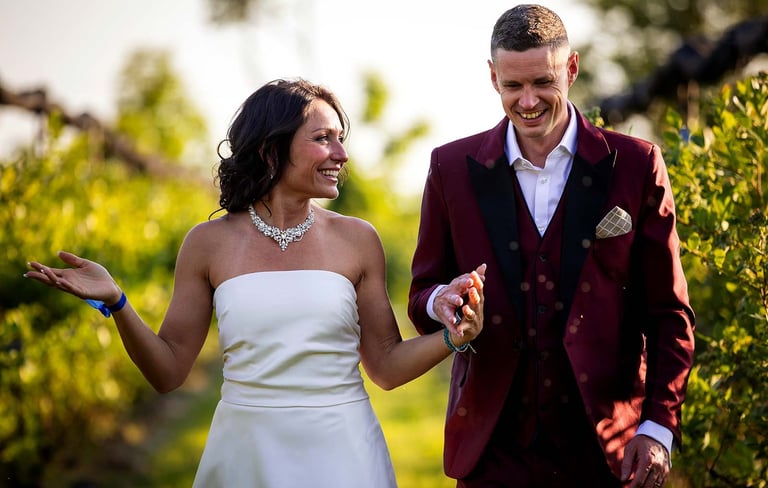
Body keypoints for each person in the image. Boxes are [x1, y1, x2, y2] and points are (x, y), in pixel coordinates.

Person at [24, 78, 486, 488]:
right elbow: (167, 373)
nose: (341, 155)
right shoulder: (207, 244)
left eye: (340, 139)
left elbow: (385, 366)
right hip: (244, 452)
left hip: (343, 453)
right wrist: (117, 301)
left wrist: (453, 337)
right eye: (323, 139)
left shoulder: (358, 240)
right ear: (271, 149)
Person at [407, 5, 695, 488]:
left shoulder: (635, 164)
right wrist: (444, 301)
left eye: (543, 82)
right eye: (512, 86)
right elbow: (421, 295)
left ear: (572, 69)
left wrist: (660, 425)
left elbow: (669, 312)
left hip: (607, 449)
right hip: (491, 451)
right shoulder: (450, 167)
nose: (528, 101)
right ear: (492, 77)